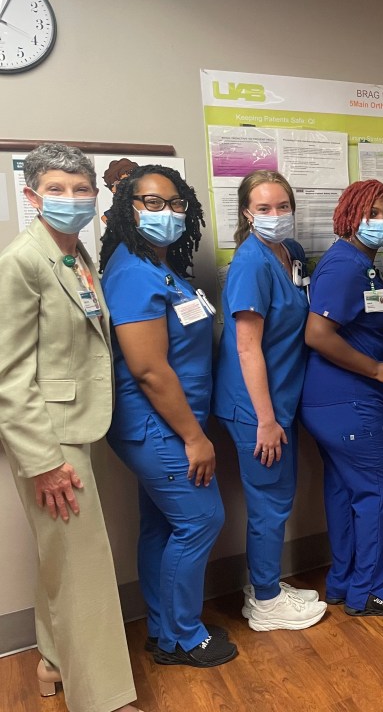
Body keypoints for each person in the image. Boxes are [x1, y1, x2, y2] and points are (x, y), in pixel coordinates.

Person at [0, 143, 140, 712]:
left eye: (82, 189)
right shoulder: (22, 261)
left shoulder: (75, 254)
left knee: (64, 553)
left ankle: (53, 663)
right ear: (32, 196)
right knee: (84, 567)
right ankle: (103, 699)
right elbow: (7, 375)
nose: (72, 199)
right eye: (56, 189)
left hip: (78, 424)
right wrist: (43, 460)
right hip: (49, 437)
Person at [100, 165, 236, 667]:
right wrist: (194, 438)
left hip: (167, 425)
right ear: (127, 210)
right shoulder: (134, 273)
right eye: (152, 203)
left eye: (176, 203)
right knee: (201, 520)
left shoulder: (159, 268)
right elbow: (149, 369)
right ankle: (182, 636)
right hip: (159, 427)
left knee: (163, 524)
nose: (168, 213)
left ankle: (161, 628)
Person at [213, 170, 327, 630]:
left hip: (281, 397)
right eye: (264, 208)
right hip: (255, 407)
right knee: (269, 502)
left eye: (282, 206)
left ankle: (267, 584)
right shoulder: (252, 264)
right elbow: (246, 347)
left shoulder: (289, 253)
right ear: (246, 212)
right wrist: (264, 419)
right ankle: (264, 601)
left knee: (275, 497)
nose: (276, 216)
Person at [301, 180, 383, 616]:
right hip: (346, 401)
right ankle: (371, 591)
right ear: (350, 216)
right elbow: (317, 335)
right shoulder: (345, 265)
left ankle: (344, 582)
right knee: (378, 489)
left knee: (347, 491)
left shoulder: (365, 265)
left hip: (342, 402)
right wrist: (376, 369)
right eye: (373, 213)